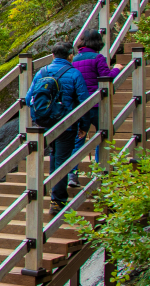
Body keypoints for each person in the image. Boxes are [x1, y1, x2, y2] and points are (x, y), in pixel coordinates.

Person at [30, 43, 88, 208]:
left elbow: (29, 99)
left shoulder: (41, 72)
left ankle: (53, 192)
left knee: (55, 155)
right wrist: (84, 125)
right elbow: (84, 101)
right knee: (62, 160)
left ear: (52, 55)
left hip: (45, 123)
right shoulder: (74, 74)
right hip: (66, 124)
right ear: (71, 55)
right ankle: (57, 200)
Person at [68, 30, 121, 187]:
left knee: (78, 141)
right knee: (103, 137)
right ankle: (100, 171)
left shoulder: (75, 60)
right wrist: (117, 68)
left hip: (81, 107)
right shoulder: (98, 58)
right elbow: (107, 77)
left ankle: (72, 175)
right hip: (97, 106)